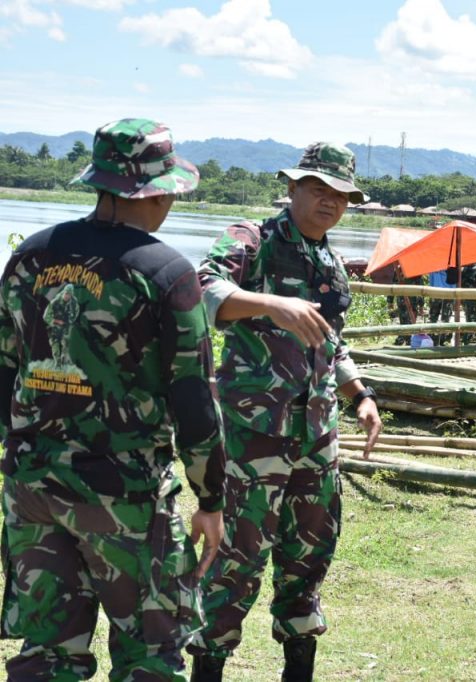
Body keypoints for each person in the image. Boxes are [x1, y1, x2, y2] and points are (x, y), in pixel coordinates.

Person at [0, 118, 226, 681]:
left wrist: (19, 455)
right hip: (124, 496)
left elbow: (4, 370)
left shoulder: (31, 257)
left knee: (47, 652)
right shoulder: (166, 273)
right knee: (149, 655)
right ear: (160, 189)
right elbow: (194, 400)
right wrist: (211, 497)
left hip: (32, 487)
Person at [189, 142, 383, 681]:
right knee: (234, 562)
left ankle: (298, 668)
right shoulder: (252, 238)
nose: (330, 202)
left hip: (316, 439)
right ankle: (209, 666)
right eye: (318, 188)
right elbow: (201, 290)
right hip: (254, 439)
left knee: (308, 561)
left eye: (341, 194)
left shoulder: (331, 261)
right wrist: (269, 302)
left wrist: (361, 395)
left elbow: (332, 342)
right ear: (293, 187)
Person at [387, 264, 423, 346]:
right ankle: (406, 339)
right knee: (408, 320)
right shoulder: (415, 269)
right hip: (408, 299)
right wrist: (421, 305)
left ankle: (404, 339)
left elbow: (393, 285)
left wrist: (390, 301)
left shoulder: (399, 269)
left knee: (405, 320)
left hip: (406, 299)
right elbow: (420, 287)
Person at [427, 268, 455, 345]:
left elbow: (431, 280)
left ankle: (431, 338)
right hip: (448, 293)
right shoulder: (452, 264)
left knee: (433, 317)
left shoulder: (434, 264)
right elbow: (455, 281)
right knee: (444, 318)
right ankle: (442, 340)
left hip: (436, 293)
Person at [460, 261, 476, 345]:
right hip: (472, 298)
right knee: (473, 320)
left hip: (464, 297)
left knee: (468, 318)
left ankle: (467, 339)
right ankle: (467, 341)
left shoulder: (463, 269)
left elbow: (460, 284)